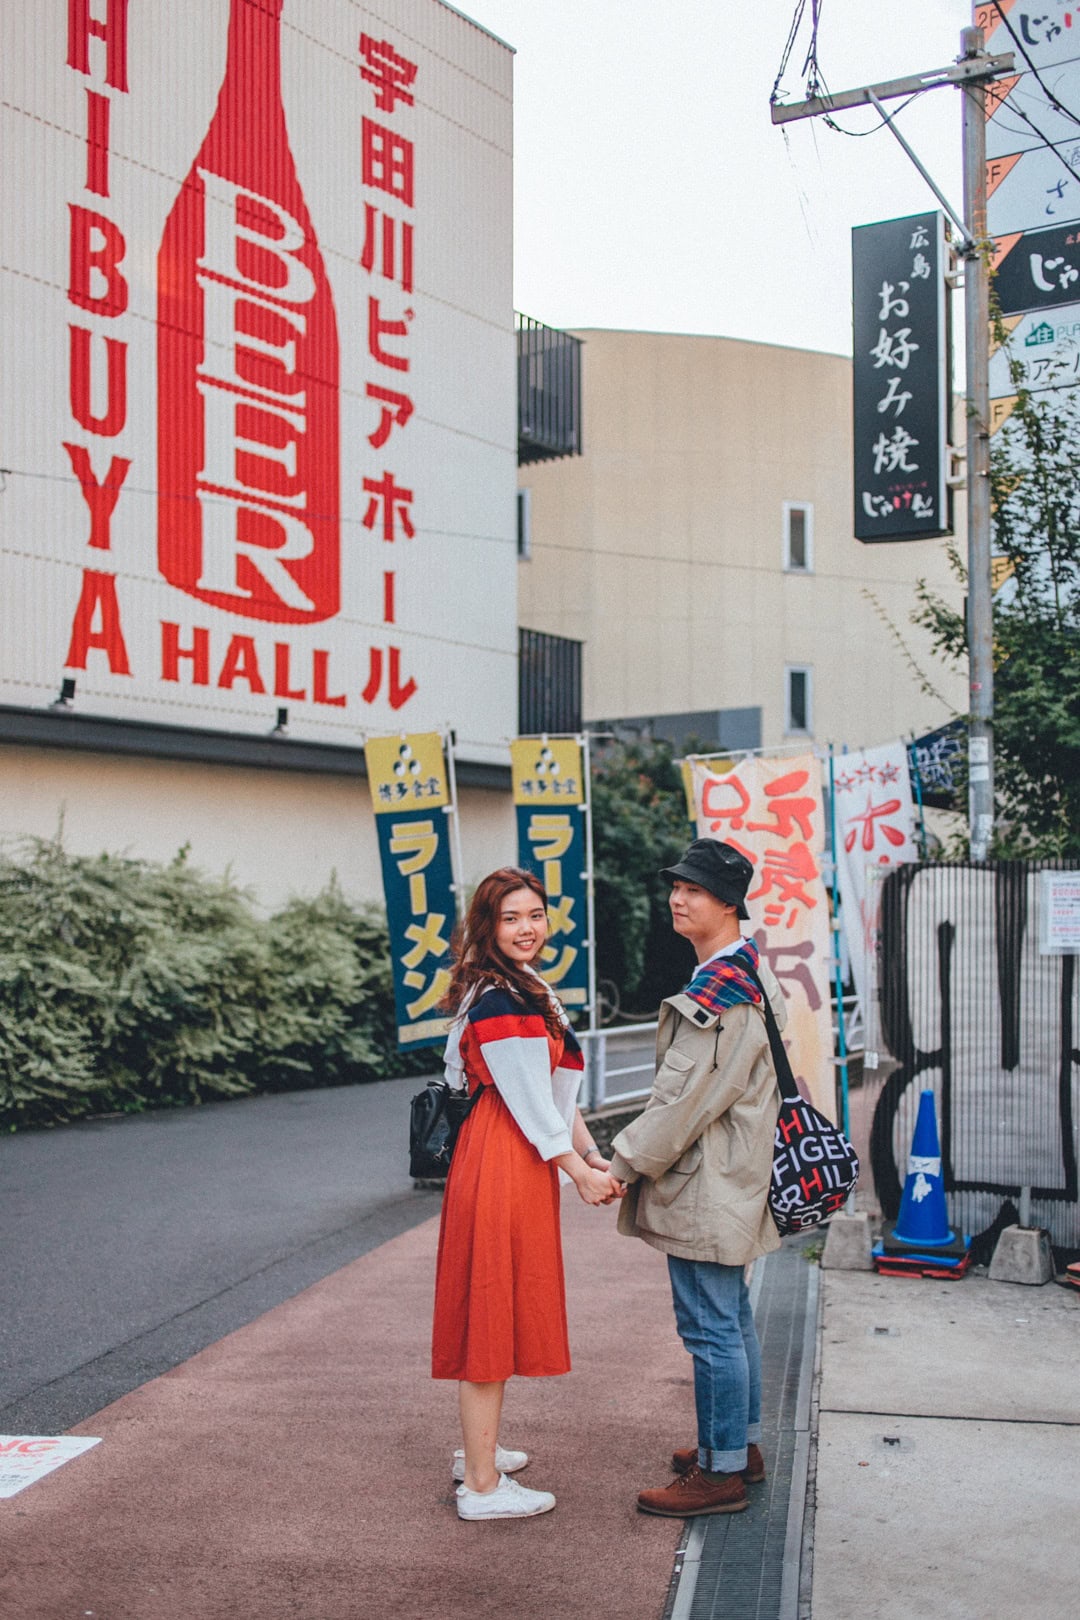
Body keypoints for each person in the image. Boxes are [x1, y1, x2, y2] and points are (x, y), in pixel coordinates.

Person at [431, 866, 623, 1522]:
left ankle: (477, 1453)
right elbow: (529, 1103)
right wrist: (580, 1169)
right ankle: (481, 1487)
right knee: (490, 1312)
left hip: (509, 1153)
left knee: (497, 1305)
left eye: (534, 915)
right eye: (510, 917)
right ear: (486, 925)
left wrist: (590, 1154)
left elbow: (551, 1094)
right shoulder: (504, 997)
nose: (526, 928)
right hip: (504, 1156)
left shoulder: (514, 985)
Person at [606, 838, 786, 1518]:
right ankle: (737, 1447)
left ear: (729, 903)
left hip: (709, 1180)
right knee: (730, 1318)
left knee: (711, 1327)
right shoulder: (747, 971)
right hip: (732, 1172)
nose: (678, 899)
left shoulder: (722, 993)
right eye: (677, 887)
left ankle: (720, 1473)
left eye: (695, 891)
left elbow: (683, 1104)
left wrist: (620, 1166)